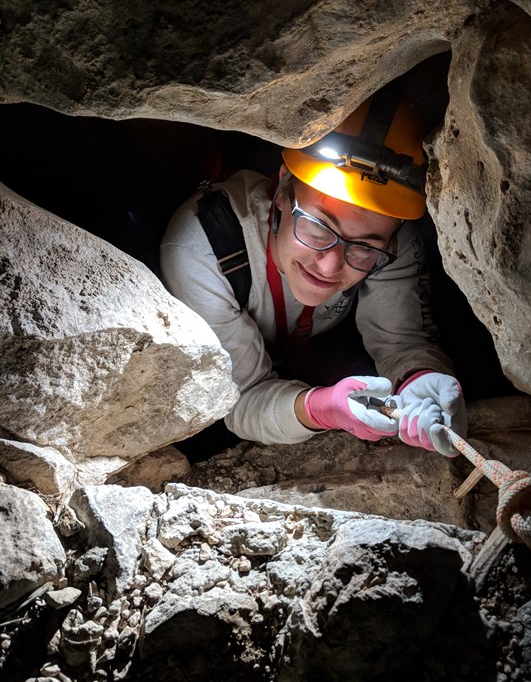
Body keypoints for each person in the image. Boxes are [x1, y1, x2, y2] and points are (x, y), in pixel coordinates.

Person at [160, 86, 467, 455]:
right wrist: (321, 408)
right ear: (282, 191)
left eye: (363, 247)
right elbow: (239, 399)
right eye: (319, 228)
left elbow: (402, 341)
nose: (330, 265)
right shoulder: (202, 250)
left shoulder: (389, 245)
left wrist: (421, 377)